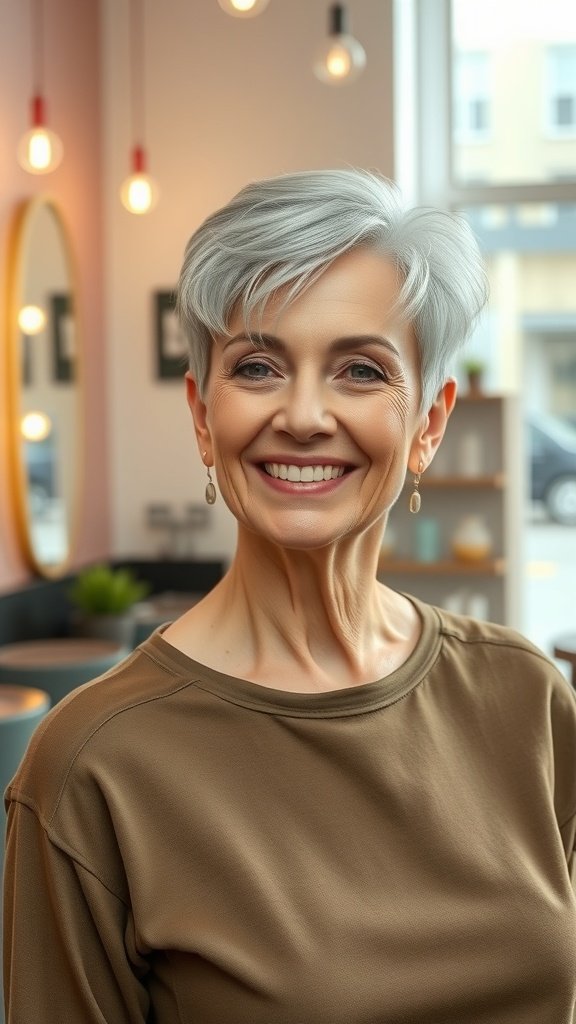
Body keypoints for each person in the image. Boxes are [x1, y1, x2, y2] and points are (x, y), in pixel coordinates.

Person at [4, 169, 576, 1024]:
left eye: (359, 370)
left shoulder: (525, 698)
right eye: (259, 366)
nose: (305, 415)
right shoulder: (92, 765)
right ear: (204, 415)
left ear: (428, 422)